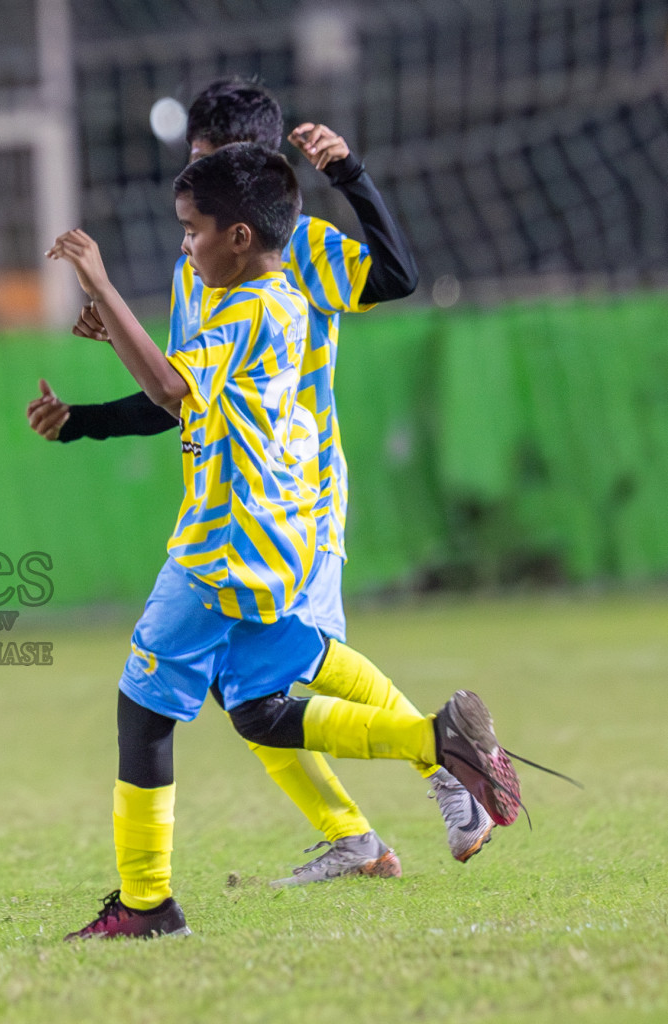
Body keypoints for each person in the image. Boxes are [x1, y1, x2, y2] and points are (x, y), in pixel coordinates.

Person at [29, 78, 499, 884]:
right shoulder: (198, 266)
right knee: (257, 682)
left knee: (284, 674)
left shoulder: (293, 248)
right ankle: (387, 806)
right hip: (226, 490)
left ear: (259, 174)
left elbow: (394, 277)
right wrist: (84, 415)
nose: (200, 183)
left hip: (290, 492)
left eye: (217, 165)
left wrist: (350, 174)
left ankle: (441, 772)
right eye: (197, 165)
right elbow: (178, 395)